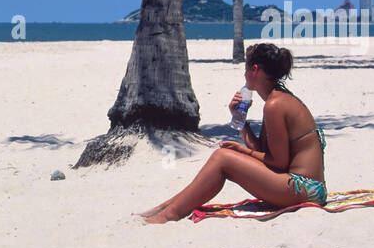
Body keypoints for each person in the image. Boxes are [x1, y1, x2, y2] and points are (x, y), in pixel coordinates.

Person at [137, 42, 326, 222]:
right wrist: (239, 119)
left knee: (222, 158)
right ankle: (168, 206)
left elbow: (278, 162)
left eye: (246, 68)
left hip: (304, 188)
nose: (244, 74)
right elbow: (263, 149)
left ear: (255, 70)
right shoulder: (276, 98)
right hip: (305, 187)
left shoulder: (275, 105)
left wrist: (241, 150)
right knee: (223, 156)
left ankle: (169, 215)